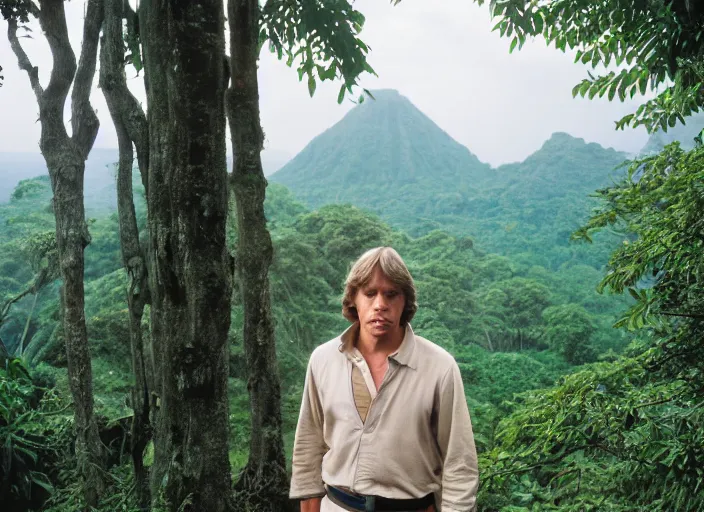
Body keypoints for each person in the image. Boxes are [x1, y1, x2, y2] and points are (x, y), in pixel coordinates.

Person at [289, 247, 479, 512]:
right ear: (353, 299)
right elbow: (309, 448)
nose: (380, 304)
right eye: (370, 293)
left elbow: (460, 463)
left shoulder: (439, 367)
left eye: (391, 294)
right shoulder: (324, 360)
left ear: (405, 301)